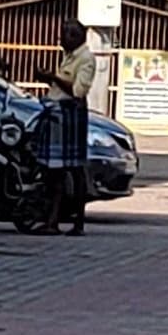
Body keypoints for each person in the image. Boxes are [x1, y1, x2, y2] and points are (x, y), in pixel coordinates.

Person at [39, 20, 99, 232]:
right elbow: (62, 86)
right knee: (56, 170)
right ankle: (52, 222)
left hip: (70, 113)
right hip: (59, 112)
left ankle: (78, 222)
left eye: (66, 35)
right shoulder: (70, 56)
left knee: (74, 169)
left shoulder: (86, 59)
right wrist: (49, 79)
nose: (61, 39)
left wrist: (52, 77)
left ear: (77, 37)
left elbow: (77, 91)